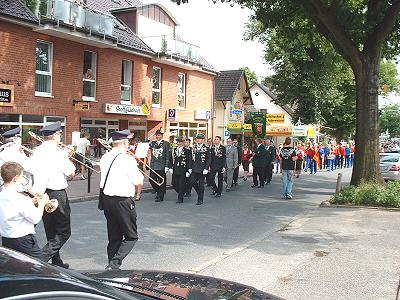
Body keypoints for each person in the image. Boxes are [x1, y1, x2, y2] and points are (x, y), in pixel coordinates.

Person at [30, 121, 75, 268]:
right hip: (57, 193)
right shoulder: (58, 152)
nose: (60, 137)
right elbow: (71, 172)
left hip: (41, 193)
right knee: (63, 231)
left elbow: (29, 169)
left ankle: (57, 262)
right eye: (60, 134)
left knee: (51, 229)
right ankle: (41, 260)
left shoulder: (36, 151)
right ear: (55, 136)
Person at [99, 130, 143, 270]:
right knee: (131, 236)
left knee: (114, 237)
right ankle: (114, 265)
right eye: (128, 141)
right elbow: (138, 180)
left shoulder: (105, 157)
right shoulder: (127, 159)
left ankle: (112, 269)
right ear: (124, 142)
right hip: (123, 201)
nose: (129, 143)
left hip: (107, 200)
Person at [0, 162, 48, 259]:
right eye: (22, 176)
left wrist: (31, 201)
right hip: (24, 240)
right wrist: (42, 204)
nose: (22, 179)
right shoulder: (20, 197)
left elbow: (13, 209)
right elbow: (35, 219)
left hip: (6, 239)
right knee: (40, 267)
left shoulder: (2, 194)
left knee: (16, 269)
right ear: (15, 178)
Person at [148, 130, 170, 202]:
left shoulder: (166, 144)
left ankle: (161, 196)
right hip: (154, 164)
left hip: (161, 164)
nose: (158, 136)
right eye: (157, 135)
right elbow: (148, 150)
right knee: (151, 179)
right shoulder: (153, 143)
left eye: (159, 135)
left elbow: (167, 155)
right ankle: (159, 191)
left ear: (162, 136)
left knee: (161, 181)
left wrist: (167, 165)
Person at [170, 137, 192, 203]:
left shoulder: (187, 150)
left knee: (181, 184)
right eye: (177, 142)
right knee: (174, 183)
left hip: (183, 169)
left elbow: (189, 161)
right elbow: (171, 159)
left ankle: (180, 198)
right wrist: (170, 167)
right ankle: (182, 191)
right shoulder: (174, 150)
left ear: (183, 143)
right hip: (175, 169)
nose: (178, 143)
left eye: (180, 142)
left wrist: (189, 169)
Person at [190, 134, 211, 205]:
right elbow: (191, 158)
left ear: (203, 140)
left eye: (199, 139)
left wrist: (206, 168)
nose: (198, 140)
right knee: (192, 181)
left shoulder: (206, 148)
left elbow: (208, 159)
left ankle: (200, 199)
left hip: (202, 169)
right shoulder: (194, 147)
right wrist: (190, 167)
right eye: (197, 139)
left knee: (201, 183)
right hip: (194, 168)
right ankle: (199, 192)